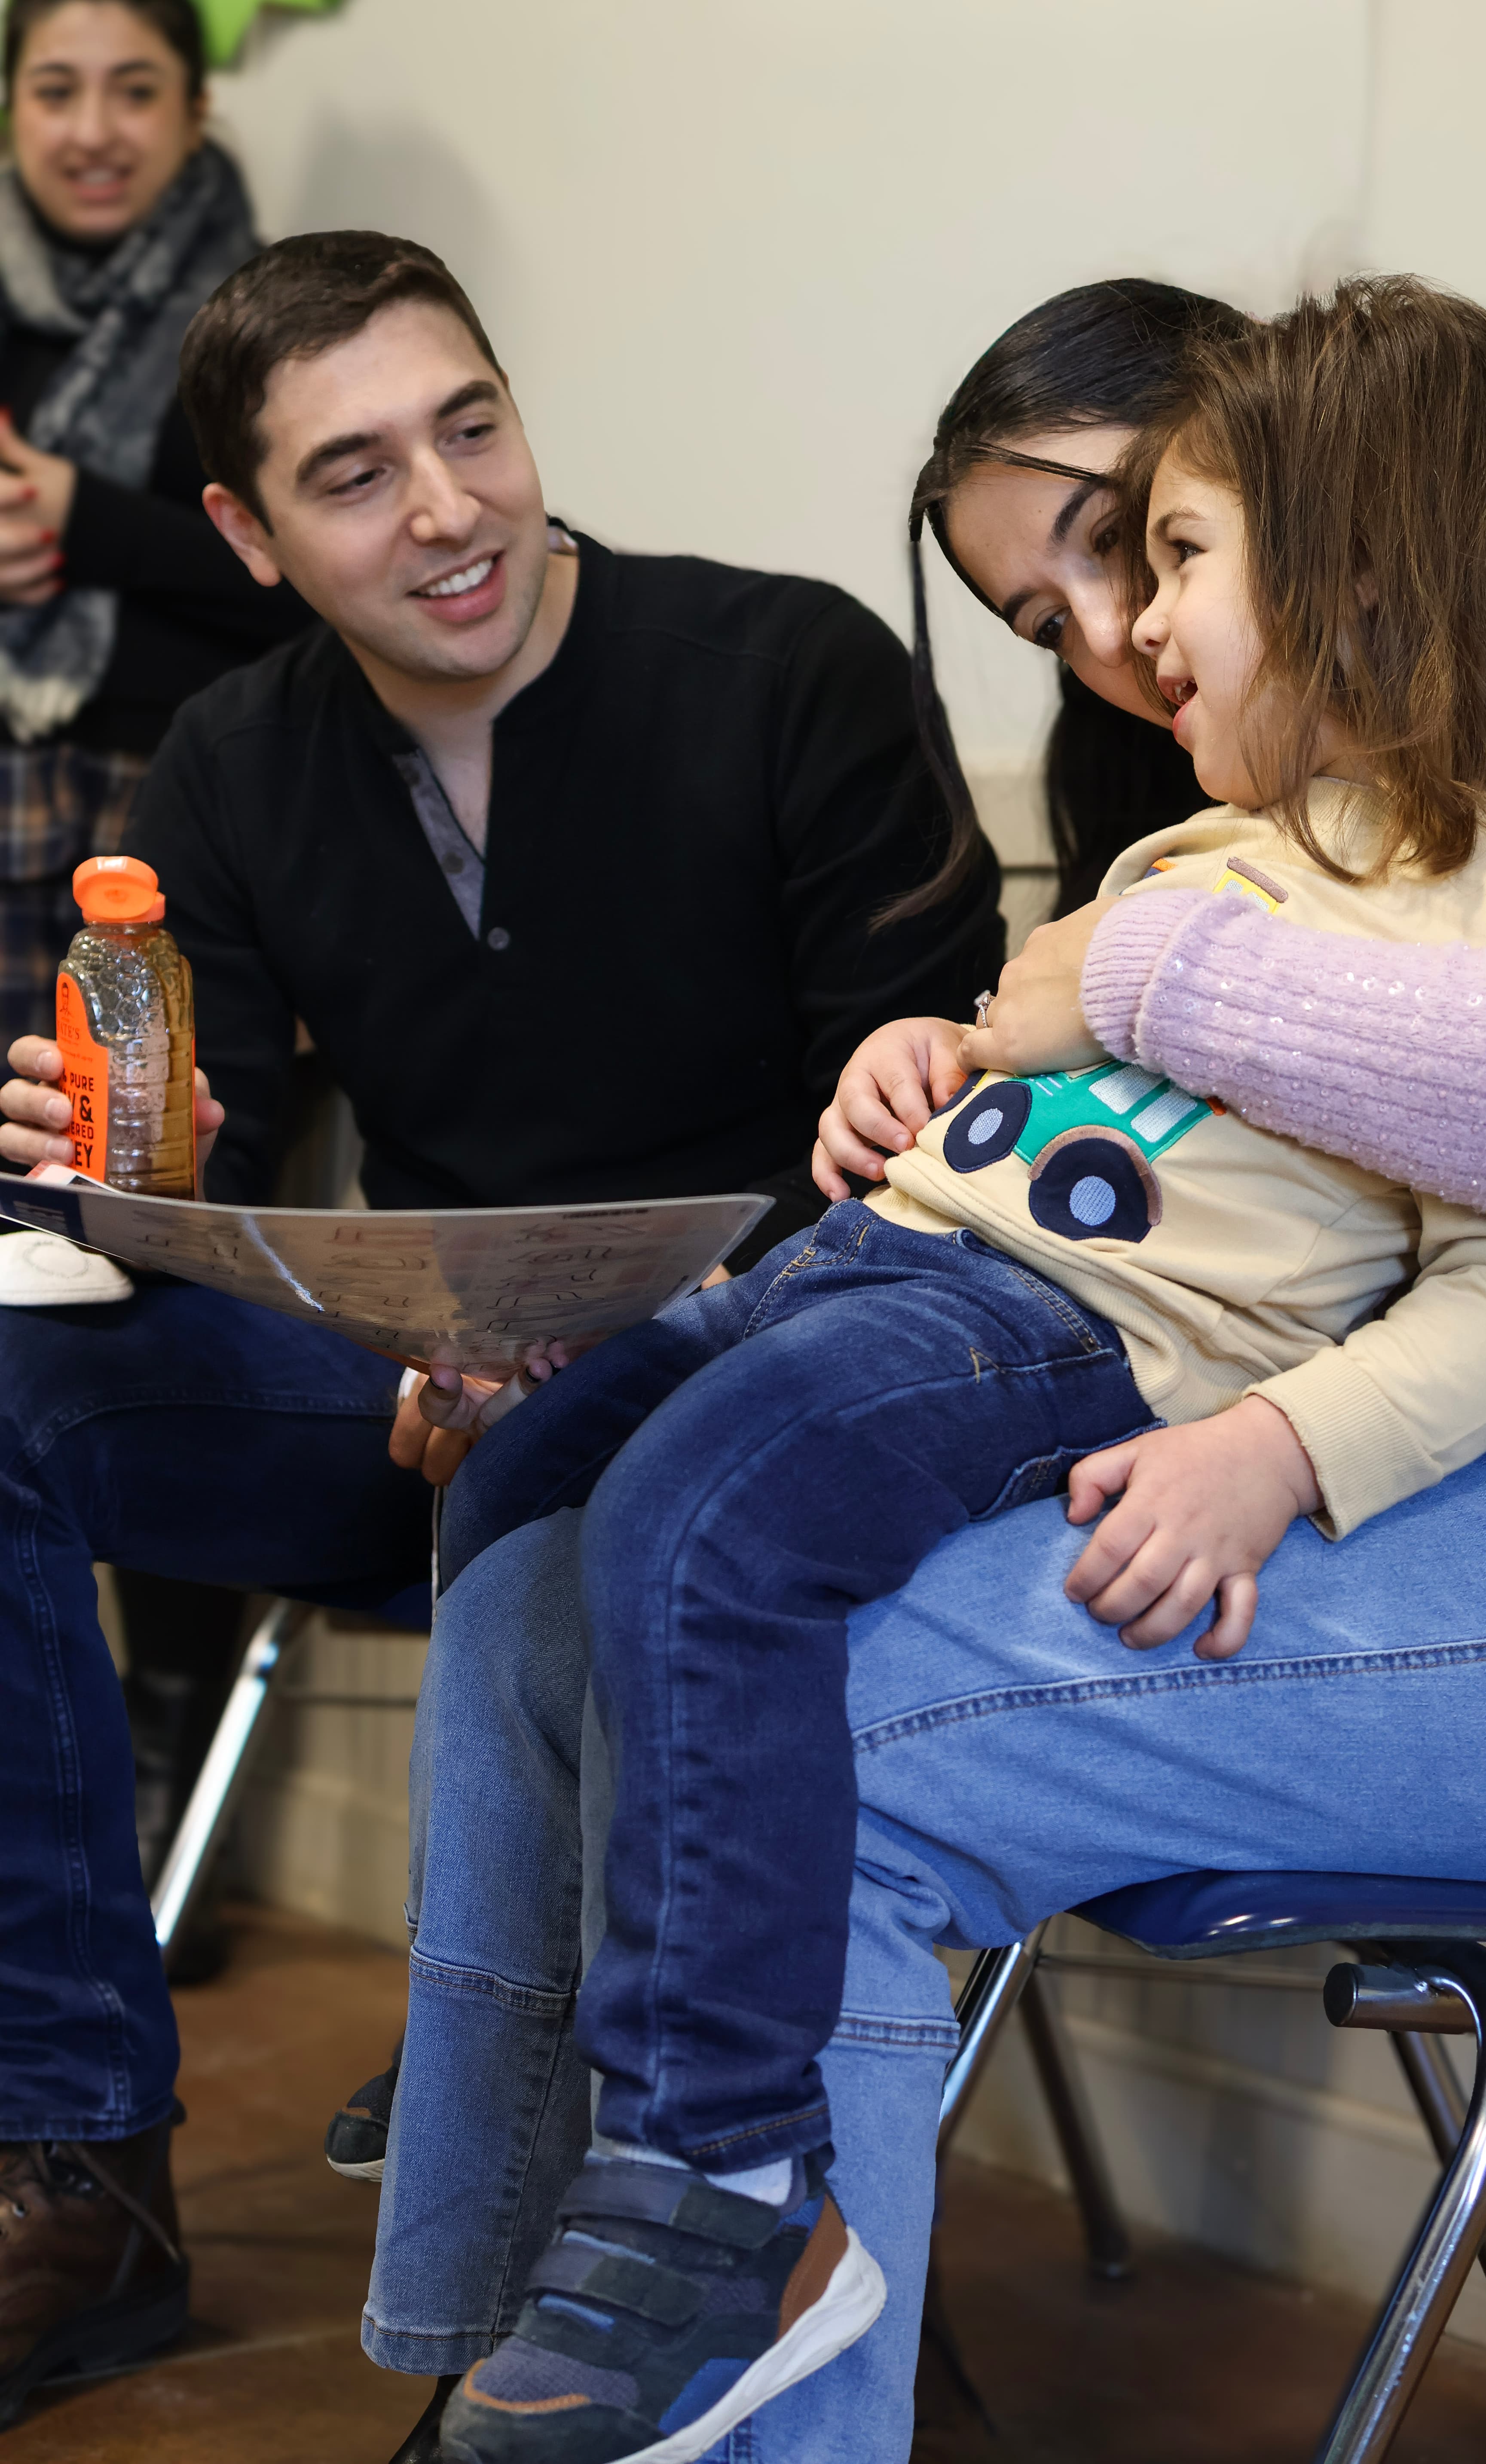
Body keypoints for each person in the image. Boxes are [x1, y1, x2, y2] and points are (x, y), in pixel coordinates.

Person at [381, 269, 1486, 2464]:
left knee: (778, 1655)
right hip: (932, 1286)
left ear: (1333, 539)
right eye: (1058, 606)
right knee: (529, 1556)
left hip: (1399, 1433)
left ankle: (717, 2217)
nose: (1120, 638)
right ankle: (522, 2290)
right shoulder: (1203, 842)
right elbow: (1059, 1087)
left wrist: (1277, 1435)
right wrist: (939, 1065)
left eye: (1148, 547)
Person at [0, 227, 1001, 2433]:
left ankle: (571, 2241)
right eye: (355, 476)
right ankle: (78, 2157)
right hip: (425, 1404)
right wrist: (95, 1148)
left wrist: (640, 1343)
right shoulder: (234, 768)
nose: (446, 506)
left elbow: (949, 1144)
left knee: (621, 1465)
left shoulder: (787, 670)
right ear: (253, 541)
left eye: (472, 427)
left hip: (780, 1401)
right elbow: (210, 1180)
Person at [0, 0, 313, 1898]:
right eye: (55, 88)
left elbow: (292, 607)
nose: (95, 129)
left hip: (165, 873)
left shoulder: (259, 325)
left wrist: (82, 532)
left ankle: (154, 1830)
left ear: (196, 108)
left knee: (164, 1278)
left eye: (136, 89)